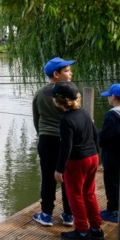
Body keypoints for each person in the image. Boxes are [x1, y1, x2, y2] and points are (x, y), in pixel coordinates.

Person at [52, 81, 104, 240]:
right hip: (92, 157)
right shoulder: (84, 113)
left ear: (58, 101)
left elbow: (66, 147)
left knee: (75, 195)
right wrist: (96, 154)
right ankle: (96, 229)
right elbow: (95, 136)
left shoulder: (65, 120)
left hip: (77, 161)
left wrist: (59, 169)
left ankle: (82, 231)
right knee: (89, 193)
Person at [32, 57, 76, 227]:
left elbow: (36, 118)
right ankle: (68, 214)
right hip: (66, 140)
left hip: (46, 138)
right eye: (67, 70)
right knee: (67, 176)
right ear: (56, 74)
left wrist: (41, 133)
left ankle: (46, 214)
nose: (71, 73)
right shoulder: (71, 92)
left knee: (48, 177)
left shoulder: (40, 93)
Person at [97, 83, 120, 223]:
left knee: (111, 182)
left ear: (113, 97)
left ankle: (113, 210)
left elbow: (106, 136)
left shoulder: (112, 115)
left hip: (112, 155)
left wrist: (98, 140)